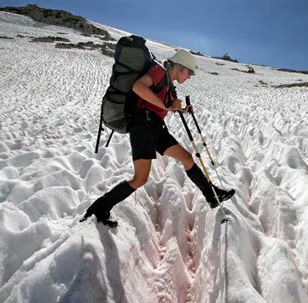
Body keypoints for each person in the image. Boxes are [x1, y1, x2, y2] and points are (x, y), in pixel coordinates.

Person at [83, 49, 234, 226]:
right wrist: (166, 105)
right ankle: (99, 207)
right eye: (189, 72)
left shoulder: (169, 85)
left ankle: (212, 196)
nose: (189, 77)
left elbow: (166, 106)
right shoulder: (158, 71)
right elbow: (138, 87)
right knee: (140, 178)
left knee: (186, 158)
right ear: (179, 67)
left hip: (156, 127)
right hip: (142, 126)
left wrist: (183, 109)